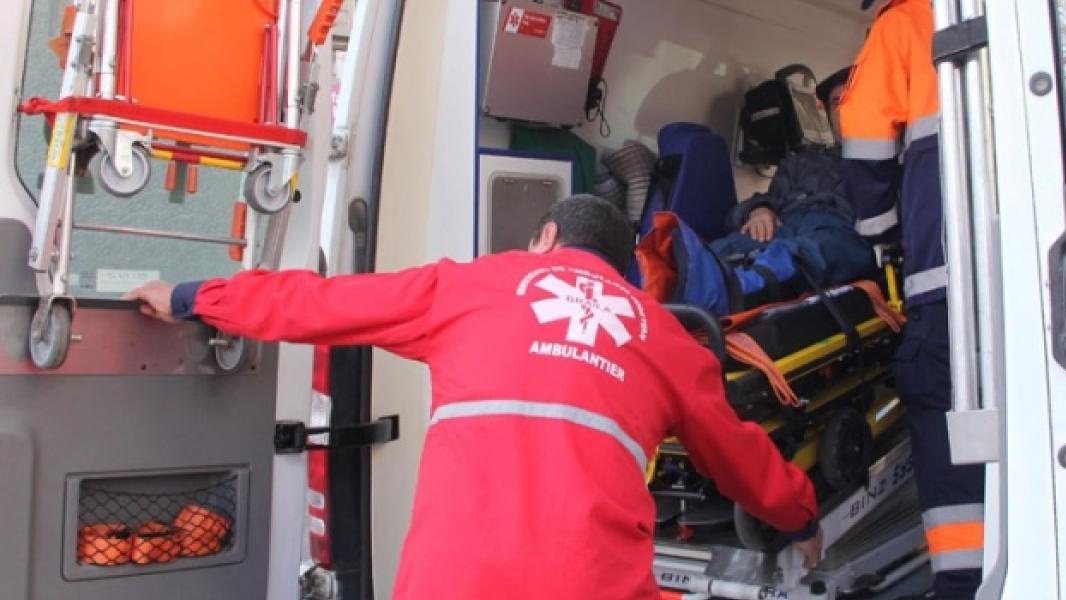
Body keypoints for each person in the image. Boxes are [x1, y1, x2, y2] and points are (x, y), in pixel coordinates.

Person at [124, 195, 823, 599]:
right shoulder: (662, 335)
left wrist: (192, 297)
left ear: (546, 238)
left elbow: (319, 303)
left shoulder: (469, 286)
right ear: (626, 269)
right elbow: (738, 455)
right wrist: (800, 518)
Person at [839, 1, 985, 598]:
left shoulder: (906, 23)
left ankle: (966, 584)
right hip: (1045, 283)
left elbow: (865, 145)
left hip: (946, 288)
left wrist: (882, 240)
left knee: (948, 432)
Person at [730, 66, 853, 244]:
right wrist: (759, 210)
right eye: (837, 103)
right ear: (828, 113)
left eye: (854, 100)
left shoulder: (888, 169)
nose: (845, 110)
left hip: (829, 245)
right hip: (775, 239)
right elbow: (766, 201)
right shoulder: (800, 163)